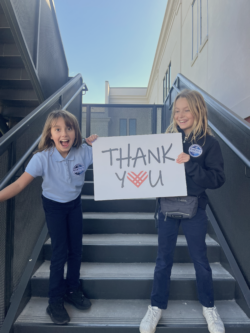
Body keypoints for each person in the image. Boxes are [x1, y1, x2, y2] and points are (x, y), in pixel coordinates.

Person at [0, 110, 98, 325]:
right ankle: (54, 300)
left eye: (69, 128)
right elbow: (18, 184)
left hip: (74, 204)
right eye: (58, 129)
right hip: (53, 206)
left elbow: (113, 155)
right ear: (50, 135)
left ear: (75, 132)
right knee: (59, 252)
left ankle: (73, 289)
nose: (64, 133)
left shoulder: (83, 151)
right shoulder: (41, 158)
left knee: (76, 250)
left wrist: (98, 142)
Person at [140, 90, 226, 333]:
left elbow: (217, 179)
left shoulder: (211, 143)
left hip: (195, 208)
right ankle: (156, 306)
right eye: (177, 111)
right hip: (167, 207)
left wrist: (190, 163)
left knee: (201, 260)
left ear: (198, 110)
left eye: (186, 109)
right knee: (163, 260)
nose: (180, 115)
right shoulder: (166, 139)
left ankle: (209, 306)